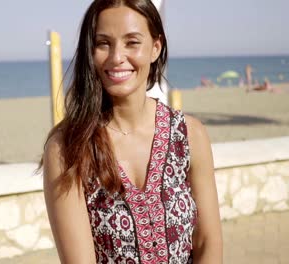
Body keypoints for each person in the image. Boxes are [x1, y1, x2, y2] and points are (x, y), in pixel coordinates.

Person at [41, 0, 223, 263]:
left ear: (155, 48)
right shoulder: (68, 148)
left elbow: (208, 241)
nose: (117, 57)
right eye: (103, 43)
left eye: (132, 42)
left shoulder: (189, 134)